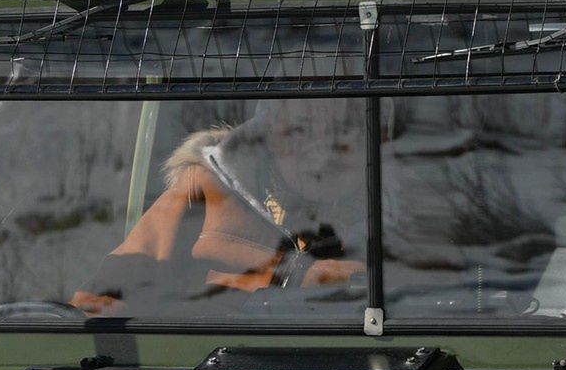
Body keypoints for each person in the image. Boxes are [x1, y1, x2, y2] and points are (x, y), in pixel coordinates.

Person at [71, 102, 363, 316]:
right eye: (300, 130)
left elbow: (398, 298)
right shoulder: (207, 191)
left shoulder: (387, 213)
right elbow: (102, 301)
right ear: (269, 138)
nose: (320, 150)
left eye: (341, 131)